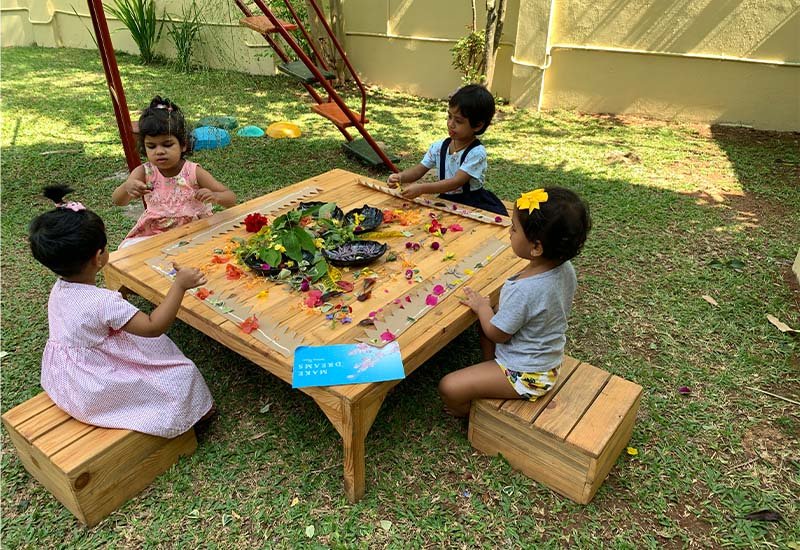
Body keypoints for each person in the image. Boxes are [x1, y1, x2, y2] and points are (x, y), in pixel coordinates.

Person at [30, 185, 215, 438]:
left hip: (67, 381)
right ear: (98, 257)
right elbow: (153, 327)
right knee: (181, 375)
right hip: (97, 386)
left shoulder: (59, 289)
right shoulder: (104, 302)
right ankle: (200, 415)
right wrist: (180, 285)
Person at [438, 187, 591, 417]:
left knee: (449, 386)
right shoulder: (565, 268)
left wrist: (482, 307)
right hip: (545, 358)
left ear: (536, 247)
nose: (510, 233)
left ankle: (472, 414)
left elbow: (498, 334)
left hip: (528, 375)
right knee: (490, 316)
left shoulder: (524, 289)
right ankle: (489, 368)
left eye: (514, 228)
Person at [113, 96, 236, 249]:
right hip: (154, 234)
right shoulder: (143, 172)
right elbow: (118, 201)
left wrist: (216, 196)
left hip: (194, 232)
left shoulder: (193, 172)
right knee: (129, 253)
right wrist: (127, 187)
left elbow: (231, 198)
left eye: (167, 144)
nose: (159, 151)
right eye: (151, 146)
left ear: (183, 144)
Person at [387, 84, 507, 216]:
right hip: (446, 201)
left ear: (477, 125)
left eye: (458, 121)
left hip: (471, 204)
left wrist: (422, 188)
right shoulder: (439, 147)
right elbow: (419, 170)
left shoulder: (476, 153)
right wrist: (400, 177)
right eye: (449, 116)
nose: (450, 124)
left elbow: (456, 182)